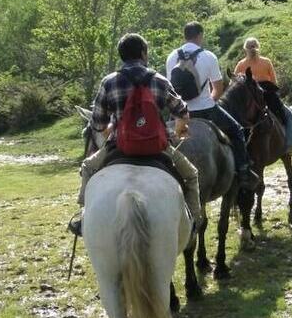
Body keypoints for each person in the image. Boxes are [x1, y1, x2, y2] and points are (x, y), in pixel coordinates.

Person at [74, 33, 202, 234]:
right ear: (143, 53)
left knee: (87, 167)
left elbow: (97, 124)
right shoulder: (159, 80)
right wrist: (178, 131)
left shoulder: (109, 82)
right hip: (158, 147)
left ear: (122, 55)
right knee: (191, 175)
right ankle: (194, 222)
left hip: (118, 146)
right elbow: (182, 112)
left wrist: (112, 125)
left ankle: (82, 218)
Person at [166, 22, 258, 189]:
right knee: (237, 130)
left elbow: (170, 90)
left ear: (184, 36)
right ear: (200, 35)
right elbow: (218, 88)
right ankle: (244, 171)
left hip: (179, 114)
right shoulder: (208, 56)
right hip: (206, 110)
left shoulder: (172, 56)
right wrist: (209, 100)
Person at [234, 37, 292, 156]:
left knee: (289, 115)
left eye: (253, 46)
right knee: (289, 115)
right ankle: (290, 144)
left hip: (255, 99)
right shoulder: (262, 62)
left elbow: (233, 85)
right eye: (251, 46)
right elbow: (274, 82)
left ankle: (289, 145)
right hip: (265, 97)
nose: (252, 48)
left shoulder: (242, 64)